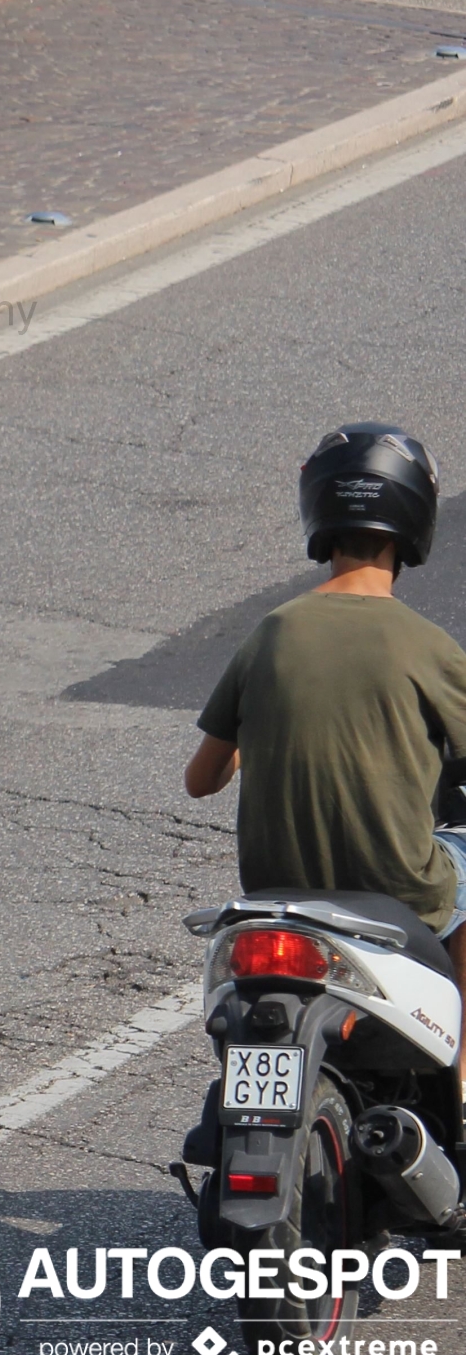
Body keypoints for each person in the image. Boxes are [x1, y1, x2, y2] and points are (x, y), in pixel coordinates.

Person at [185, 423, 466, 993]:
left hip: (275, 893)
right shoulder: (429, 646)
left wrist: (250, 739)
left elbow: (200, 780)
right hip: (400, 895)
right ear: (414, 523)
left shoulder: (271, 633)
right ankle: (460, 1071)